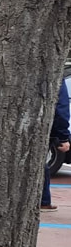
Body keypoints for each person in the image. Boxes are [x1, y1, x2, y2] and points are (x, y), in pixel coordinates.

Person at [42, 79, 70, 211]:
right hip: (43, 127)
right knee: (40, 164)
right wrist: (63, 136)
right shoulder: (56, 75)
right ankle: (43, 200)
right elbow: (60, 107)